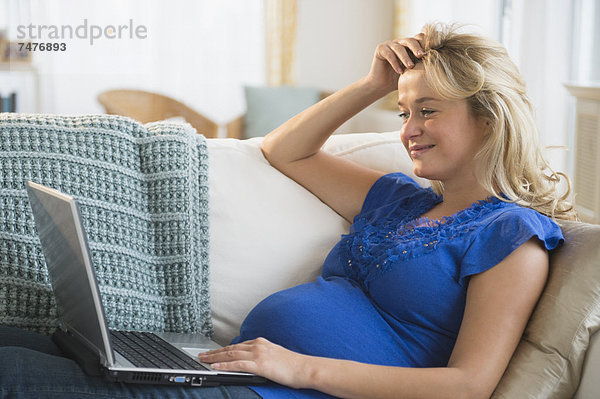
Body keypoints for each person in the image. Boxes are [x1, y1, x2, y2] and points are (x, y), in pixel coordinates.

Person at [0, 22, 576, 399]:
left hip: (282, 391)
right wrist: (371, 83)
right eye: (402, 113)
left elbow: (470, 384)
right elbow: (284, 150)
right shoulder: (398, 199)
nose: (410, 131)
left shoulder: (512, 235)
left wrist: (298, 368)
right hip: (241, 374)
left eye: (427, 111)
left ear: (489, 117)